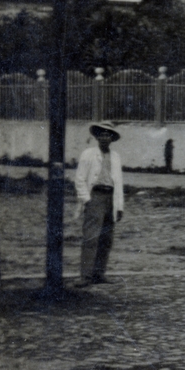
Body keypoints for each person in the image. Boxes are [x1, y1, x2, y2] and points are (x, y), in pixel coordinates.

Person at [74, 122, 125, 284]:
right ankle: (85, 276)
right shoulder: (88, 154)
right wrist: (87, 200)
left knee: (106, 238)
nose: (104, 138)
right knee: (91, 237)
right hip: (95, 196)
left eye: (108, 135)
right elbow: (80, 179)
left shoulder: (115, 157)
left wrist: (119, 206)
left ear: (112, 138)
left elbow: (119, 183)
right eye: (101, 134)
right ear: (97, 137)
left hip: (111, 198)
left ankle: (99, 273)